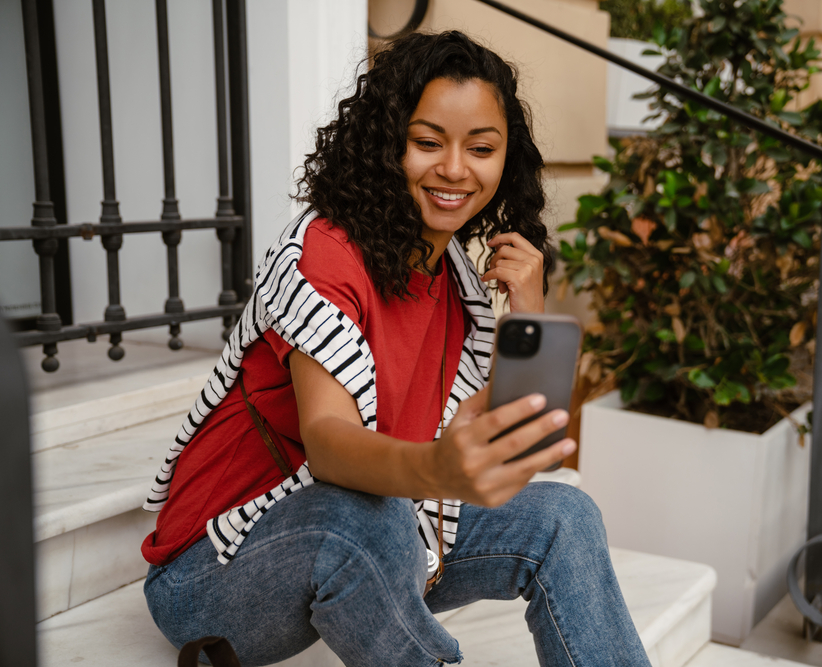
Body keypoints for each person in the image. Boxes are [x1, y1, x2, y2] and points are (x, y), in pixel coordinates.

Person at [141, 30, 651, 667]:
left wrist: (531, 313)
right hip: (214, 577)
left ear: (506, 160)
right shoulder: (323, 254)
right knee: (370, 519)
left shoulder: (457, 279)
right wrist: (439, 468)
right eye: (428, 142)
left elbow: (508, 432)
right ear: (387, 146)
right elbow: (328, 444)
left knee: (564, 516)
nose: (456, 169)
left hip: (393, 540)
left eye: (482, 148)